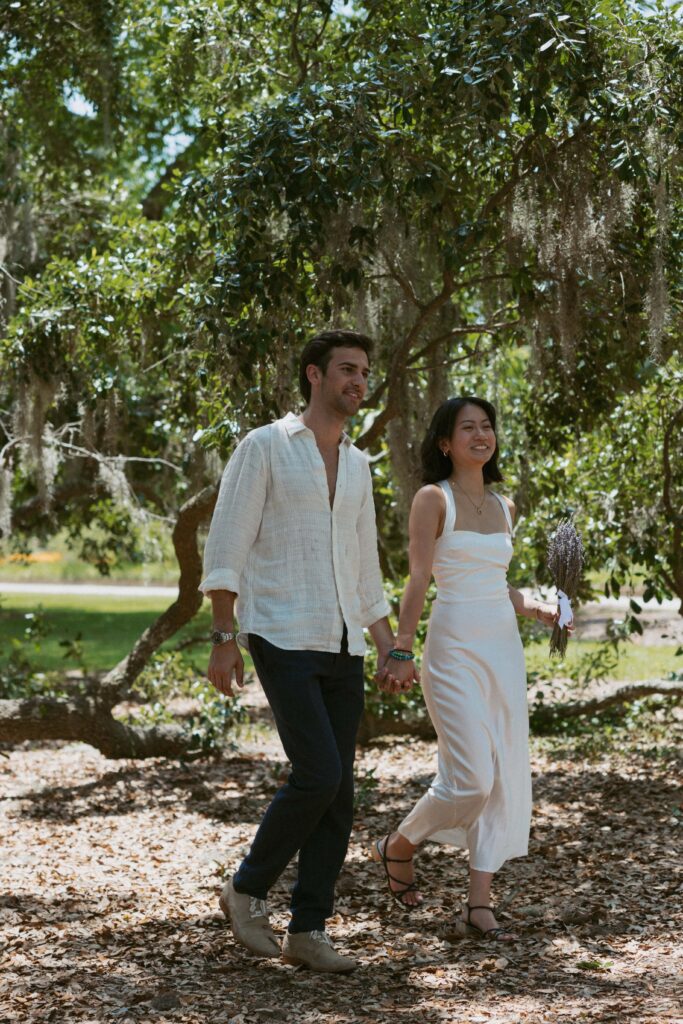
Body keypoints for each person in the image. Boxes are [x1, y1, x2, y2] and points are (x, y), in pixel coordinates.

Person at [200, 329, 415, 973]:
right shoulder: (264, 446)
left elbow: (363, 568)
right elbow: (229, 542)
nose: (358, 381)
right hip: (280, 632)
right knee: (318, 772)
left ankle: (309, 930)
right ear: (313, 375)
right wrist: (222, 636)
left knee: (341, 790)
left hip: (343, 637)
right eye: (346, 369)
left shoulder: (356, 464)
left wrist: (391, 647)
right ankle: (245, 888)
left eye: (364, 372)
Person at [371, 396, 568, 941]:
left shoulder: (506, 507)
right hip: (452, 648)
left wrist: (539, 606)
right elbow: (418, 578)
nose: (481, 435)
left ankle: (479, 904)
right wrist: (402, 647)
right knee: (473, 777)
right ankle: (401, 843)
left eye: (488, 427)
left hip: (503, 651)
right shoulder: (433, 499)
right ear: (445, 442)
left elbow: (496, 584)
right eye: (468, 428)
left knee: (502, 771)